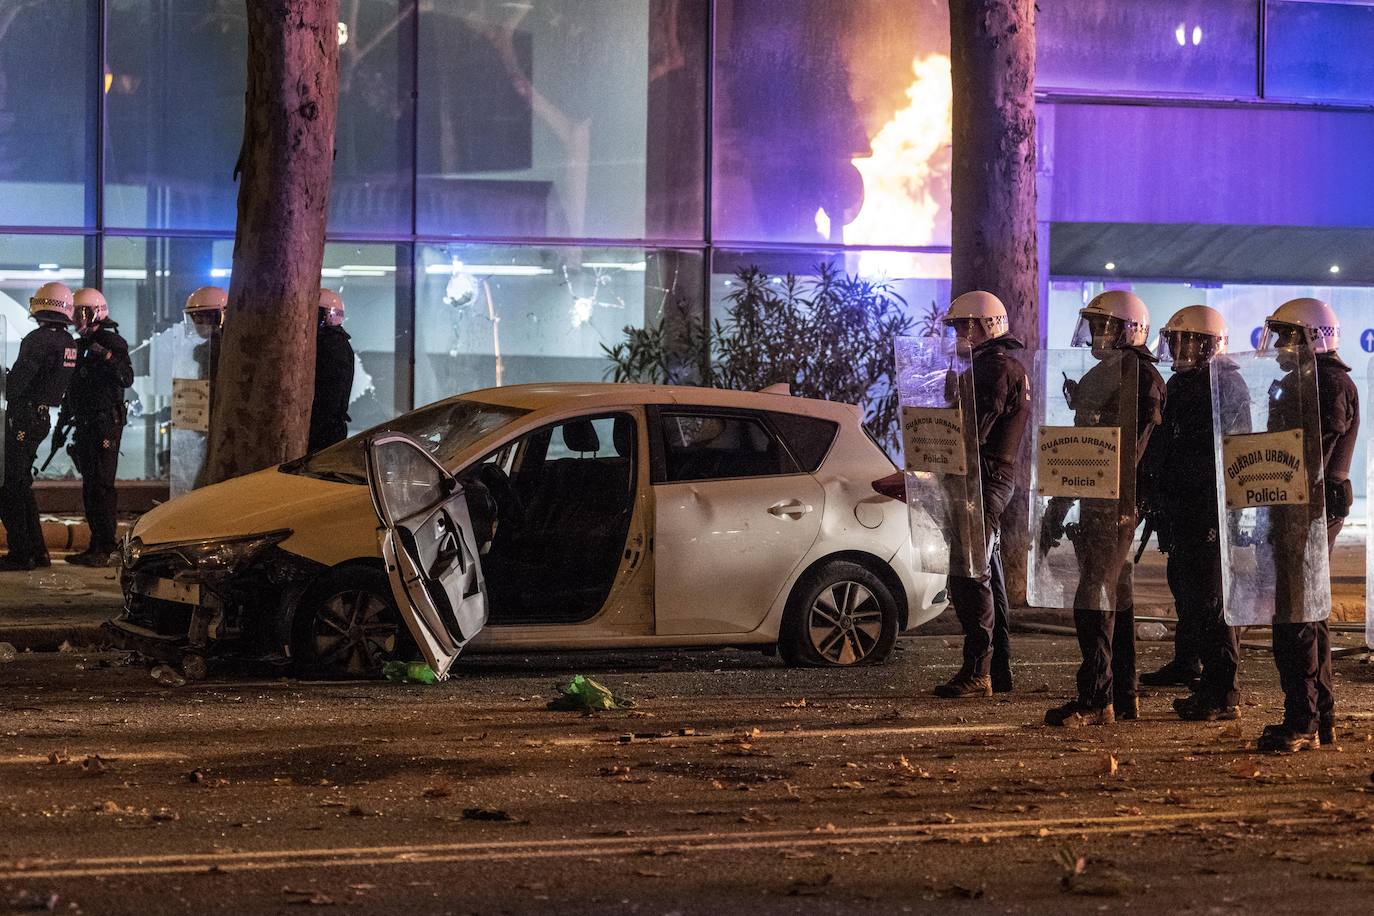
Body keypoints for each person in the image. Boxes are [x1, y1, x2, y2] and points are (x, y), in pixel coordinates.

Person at [1043, 290, 1166, 727]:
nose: (1097, 334)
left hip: (1116, 501)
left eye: (1105, 325)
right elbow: (1081, 448)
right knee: (1117, 597)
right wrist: (1060, 500)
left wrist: (1070, 498)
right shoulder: (1106, 372)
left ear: (1129, 329)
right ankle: (1123, 693)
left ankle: (1096, 699)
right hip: (1100, 498)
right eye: (1093, 325)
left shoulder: (1139, 377)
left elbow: (1119, 454)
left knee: (1093, 595)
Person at [1255, 298, 1358, 753]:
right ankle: (1321, 715)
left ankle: (1304, 720)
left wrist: (1270, 476)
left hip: (1310, 509)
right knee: (1305, 612)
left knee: (1298, 615)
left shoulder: (1329, 382)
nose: (1278, 344)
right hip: (1295, 505)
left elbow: (1315, 447)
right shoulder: (1306, 379)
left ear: (1310, 336)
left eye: (1286, 334)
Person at [1139, 306, 1248, 720]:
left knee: (1209, 599)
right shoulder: (1181, 383)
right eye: (1177, 341)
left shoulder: (1227, 386)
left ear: (1209, 345)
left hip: (1208, 505)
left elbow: (1225, 452)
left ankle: (1223, 691)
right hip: (1180, 501)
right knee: (1184, 586)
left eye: (1189, 341)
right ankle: (1189, 663)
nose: (1180, 349)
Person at [932, 291, 1031, 698]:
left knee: (970, 573)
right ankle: (998, 669)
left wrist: (942, 434)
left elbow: (973, 432)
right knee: (988, 572)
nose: (958, 333)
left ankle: (978, 672)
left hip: (982, 478)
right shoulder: (1004, 368)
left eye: (962, 325)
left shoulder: (992, 369)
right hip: (993, 476)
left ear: (982, 325)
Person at [0, 283, 78, 572]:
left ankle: (22, 553)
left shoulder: (37, 340)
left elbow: (18, 384)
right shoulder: (68, 342)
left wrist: (4, 379)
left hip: (23, 417)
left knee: (9, 487)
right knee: (20, 485)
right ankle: (37, 551)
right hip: (42, 417)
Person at [59, 288, 134, 567]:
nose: (78, 319)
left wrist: (108, 357)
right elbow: (74, 388)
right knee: (91, 487)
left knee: (102, 486)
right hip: (86, 423)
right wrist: (64, 421)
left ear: (97, 312)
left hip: (105, 424)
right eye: (75, 313)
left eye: (82, 312)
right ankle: (95, 545)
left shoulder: (112, 342)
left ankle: (106, 546)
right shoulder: (79, 345)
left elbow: (126, 378)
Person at [308, 288, 354, 453]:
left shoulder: (331, 346)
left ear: (329, 315)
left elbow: (328, 397)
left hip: (323, 433)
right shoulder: (336, 343)